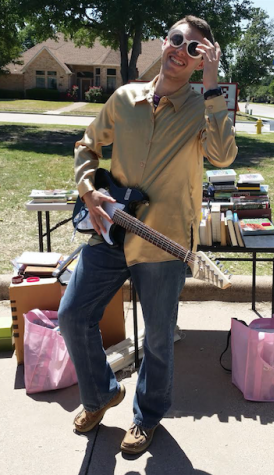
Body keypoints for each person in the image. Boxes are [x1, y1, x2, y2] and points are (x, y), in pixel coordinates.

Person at [58, 15, 238, 455]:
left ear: (201, 62)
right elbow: (87, 145)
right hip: (112, 230)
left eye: (194, 48)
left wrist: (213, 85)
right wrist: (89, 189)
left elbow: (221, 155)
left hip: (165, 242)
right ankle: (101, 393)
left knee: (158, 339)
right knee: (72, 314)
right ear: (164, 41)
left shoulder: (204, 106)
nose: (181, 49)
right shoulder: (124, 98)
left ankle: (148, 416)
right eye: (177, 39)